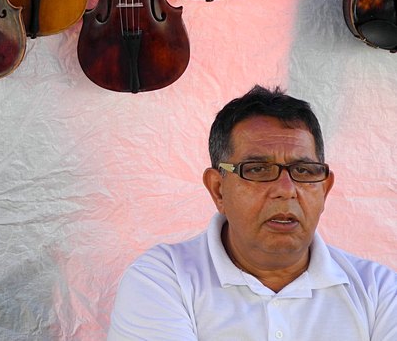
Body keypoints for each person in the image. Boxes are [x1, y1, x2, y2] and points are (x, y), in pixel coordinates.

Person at [108, 85, 397, 340]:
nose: (286, 189)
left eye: (304, 171)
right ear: (218, 189)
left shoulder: (380, 291)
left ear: (324, 189)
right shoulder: (163, 280)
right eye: (258, 169)